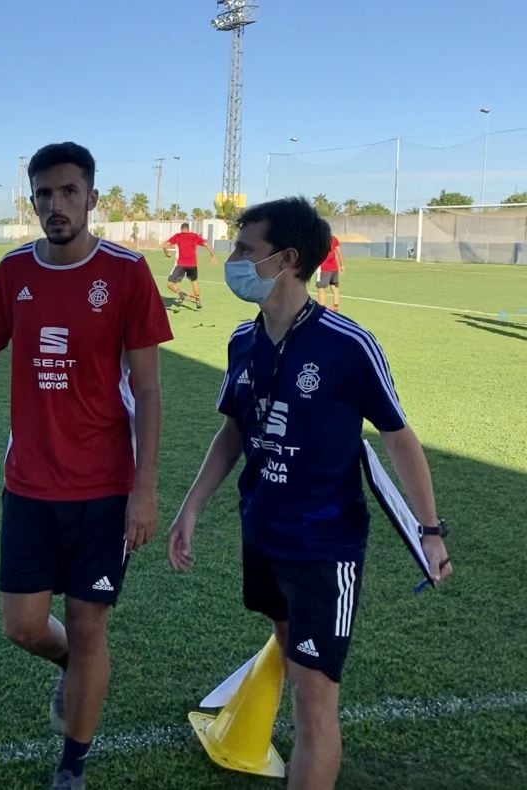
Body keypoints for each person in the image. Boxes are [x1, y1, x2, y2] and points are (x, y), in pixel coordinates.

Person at [166, 197, 452, 790]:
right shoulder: (243, 341)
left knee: (313, 700)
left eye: (246, 250)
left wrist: (429, 529)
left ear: (287, 260)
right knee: (290, 655)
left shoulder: (348, 344)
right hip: (263, 534)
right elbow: (233, 432)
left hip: (325, 546)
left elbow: (398, 439)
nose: (233, 260)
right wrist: (190, 507)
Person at [0, 142, 173, 790]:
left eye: (68, 192)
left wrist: (144, 490)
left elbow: (148, 389)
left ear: (92, 198)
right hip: (30, 484)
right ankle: (73, 666)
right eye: (43, 194)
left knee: (92, 627)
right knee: (24, 625)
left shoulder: (126, 273)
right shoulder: (13, 273)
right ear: (32, 201)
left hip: (102, 487)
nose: (55, 205)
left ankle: (72, 764)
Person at [162, 222, 217, 308]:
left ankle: (181, 294)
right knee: (194, 282)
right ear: (188, 229)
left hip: (181, 264)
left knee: (170, 284)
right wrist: (212, 256)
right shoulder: (194, 236)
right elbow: (206, 244)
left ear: (181, 229)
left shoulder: (178, 236)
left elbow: (165, 246)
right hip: (192, 265)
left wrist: (166, 253)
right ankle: (198, 300)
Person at [315, 234, 344, 311]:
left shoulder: (318, 239)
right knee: (334, 287)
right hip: (334, 267)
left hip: (323, 268)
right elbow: (339, 252)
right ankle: (336, 306)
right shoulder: (334, 239)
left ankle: (321, 307)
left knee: (321, 288)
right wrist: (341, 265)